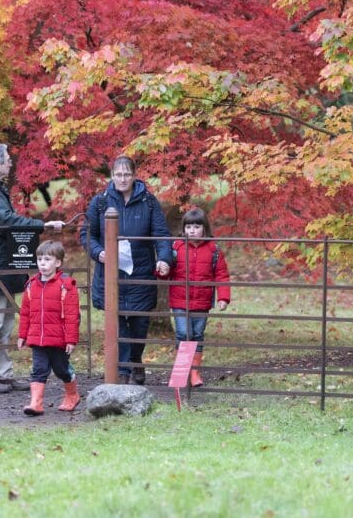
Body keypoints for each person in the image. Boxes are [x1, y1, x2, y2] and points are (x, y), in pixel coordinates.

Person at [0, 143, 65, 394]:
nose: (11, 162)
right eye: (7, 159)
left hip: (1, 259)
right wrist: (41, 225)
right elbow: (5, 220)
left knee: (5, 320)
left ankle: (1, 373)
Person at [81, 155, 171, 384]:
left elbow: (160, 234)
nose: (122, 179)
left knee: (139, 324)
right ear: (112, 176)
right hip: (111, 275)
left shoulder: (148, 201)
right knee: (118, 323)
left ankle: (136, 361)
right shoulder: (100, 201)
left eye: (127, 174)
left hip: (141, 274)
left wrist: (164, 258)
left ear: (134, 175)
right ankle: (122, 371)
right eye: (118, 174)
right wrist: (98, 252)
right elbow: (87, 234)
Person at [164, 207, 230, 387]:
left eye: (196, 226)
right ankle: (181, 372)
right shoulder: (176, 247)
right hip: (180, 299)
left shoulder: (213, 249)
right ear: (183, 229)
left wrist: (223, 297)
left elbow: (222, 274)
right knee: (184, 333)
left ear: (204, 228)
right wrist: (161, 269)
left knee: (197, 334)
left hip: (202, 301)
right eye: (189, 227)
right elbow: (166, 270)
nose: (192, 230)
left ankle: (194, 373)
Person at [16, 240, 81, 415]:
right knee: (39, 369)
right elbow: (25, 313)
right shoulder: (31, 285)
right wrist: (22, 335)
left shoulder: (66, 286)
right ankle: (35, 403)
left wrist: (71, 339)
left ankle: (72, 395)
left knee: (61, 370)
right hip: (37, 338)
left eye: (47, 259)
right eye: (39, 259)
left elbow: (72, 315)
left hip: (58, 339)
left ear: (58, 263)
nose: (42, 264)